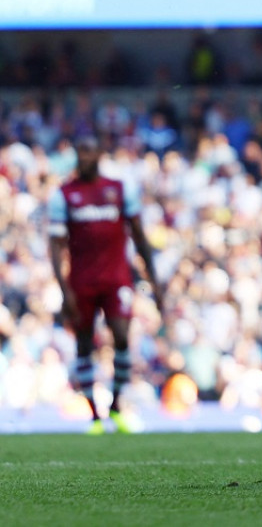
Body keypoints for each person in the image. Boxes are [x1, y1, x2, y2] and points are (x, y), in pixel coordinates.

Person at [48, 135, 165, 434]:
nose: (84, 158)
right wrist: (64, 290)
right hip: (82, 281)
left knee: (123, 336)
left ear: (99, 154)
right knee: (84, 344)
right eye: (80, 152)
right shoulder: (64, 195)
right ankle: (95, 415)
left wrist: (154, 280)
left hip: (116, 278)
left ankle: (115, 406)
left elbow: (139, 237)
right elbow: (56, 246)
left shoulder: (119, 190)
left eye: (88, 151)